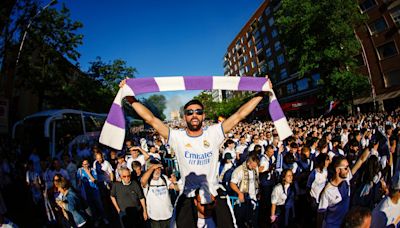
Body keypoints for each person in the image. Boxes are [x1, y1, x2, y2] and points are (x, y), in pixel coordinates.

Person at [120, 77, 272, 228]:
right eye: (190, 112)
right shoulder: (177, 137)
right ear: (184, 116)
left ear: (203, 116)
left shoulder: (214, 133)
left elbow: (239, 115)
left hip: (214, 195)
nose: (194, 115)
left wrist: (261, 94)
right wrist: (129, 97)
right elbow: (151, 119)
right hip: (188, 197)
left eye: (198, 112)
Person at [317, 148, 370, 228]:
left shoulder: (346, 179)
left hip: (344, 224)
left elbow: (361, 160)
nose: (348, 170)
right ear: (338, 170)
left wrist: (370, 147)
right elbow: (320, 214)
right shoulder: (327, 191)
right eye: (345, 168)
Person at [141, 161, 179, 228]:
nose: (157, 170)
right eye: (155, 169)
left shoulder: (164, 178)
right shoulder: (148, 181)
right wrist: (153, 167)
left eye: (159, 168)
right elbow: (143, 181)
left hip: (169, 215)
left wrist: (175, 182)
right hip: (155, 217)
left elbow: (176, 188)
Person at [230, 153, 260, 228]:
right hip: (242, 201)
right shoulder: (239, 170)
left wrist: (259, 192)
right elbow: (232, 183)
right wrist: (239, 193)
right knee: (242, 221)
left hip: (253, 199)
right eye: (253, 166)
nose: (254, 168)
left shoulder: (255, 169)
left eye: (255, 166)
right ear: (248, 162)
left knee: (253, 220)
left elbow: (256, 181)